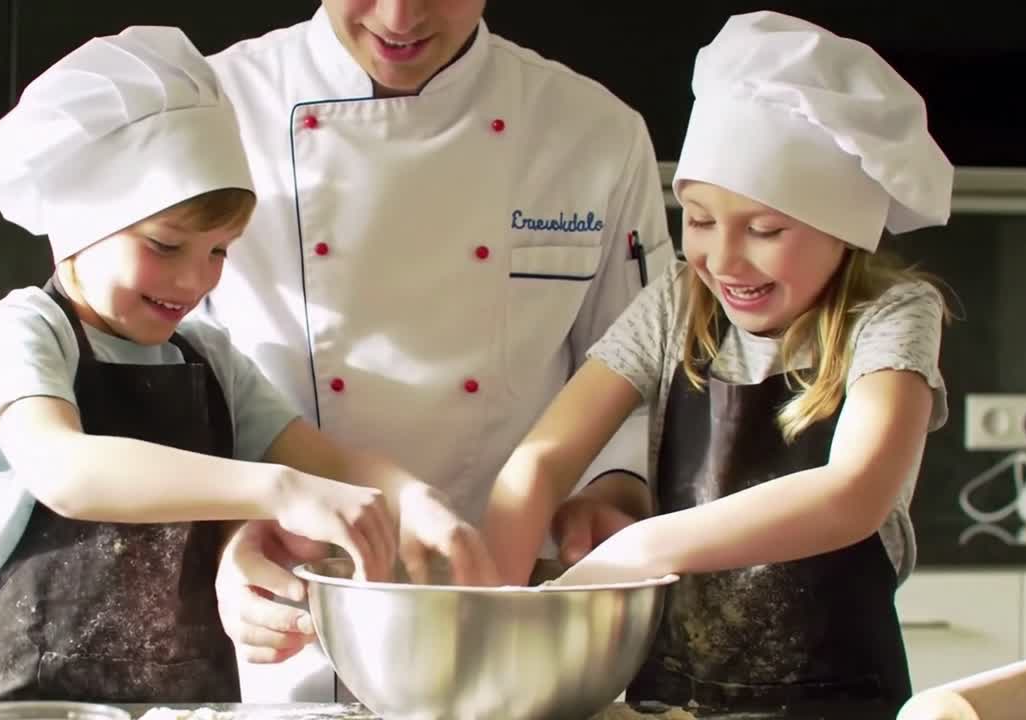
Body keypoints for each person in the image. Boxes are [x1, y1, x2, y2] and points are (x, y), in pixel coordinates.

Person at [0, 25, 447, 703]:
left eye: (219, 251)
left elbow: (331, 462)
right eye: (166, 245)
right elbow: (67, 470)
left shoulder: (210, 357)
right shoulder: (26, 331)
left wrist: (419, 503)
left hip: (188, 703)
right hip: (33, 701)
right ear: (82, 220)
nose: (194, 281)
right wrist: (277, 489)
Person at [203, 0, 675, 700]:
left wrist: (613, 490)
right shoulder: (212, 108)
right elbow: (163, 374)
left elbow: (641, 374)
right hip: (295, 609)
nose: (400, 16)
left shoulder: (594, 134)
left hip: (519, 612)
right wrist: (227, 530)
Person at [484, 10, 954, 712]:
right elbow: (543, 460)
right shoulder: (676, 306)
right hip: (671, 699)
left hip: (836, 700)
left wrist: (642, 549)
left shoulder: (892, 316)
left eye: (765, 229)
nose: (723, 260)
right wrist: (490, 620)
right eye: (699, 219)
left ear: (844, 227)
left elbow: (854, 494)